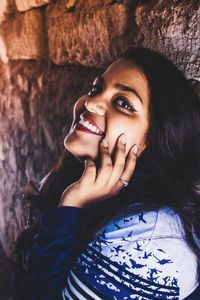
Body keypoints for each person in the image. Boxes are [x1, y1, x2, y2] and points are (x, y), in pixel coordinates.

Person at [12, 47, 200, 300]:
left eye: (123, 103)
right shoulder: (77, 179)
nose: (90, 102)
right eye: (95, 89)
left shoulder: (151, 243)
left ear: (158, 141)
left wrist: (70, 209)